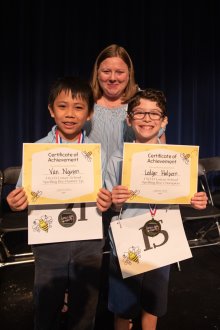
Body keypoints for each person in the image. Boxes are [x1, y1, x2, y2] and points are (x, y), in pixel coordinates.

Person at [6, 76, 112, 330]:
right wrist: (15, 202)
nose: (70, 114)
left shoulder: (97, 152)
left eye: (78, 107)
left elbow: (105, 192)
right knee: (47, 303)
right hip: (48, 241)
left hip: (88, 241)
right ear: (51, 110)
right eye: (62, 106)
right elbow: (22, 195)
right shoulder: (38, 150)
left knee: (86, 305)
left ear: (89, 114)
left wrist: (107, 200)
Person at [104, 88, 208, 330]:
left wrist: (197, 201)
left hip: (163, 241)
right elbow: (110, 205)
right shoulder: (116, 159)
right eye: (140, 113)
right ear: (129, 119)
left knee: (153, 305)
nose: (147, 119)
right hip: (126, 243)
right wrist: (115, 199)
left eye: (154, 114)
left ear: (165, 120)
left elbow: (187, 196)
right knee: (123, 308)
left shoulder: (177, 160)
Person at [85, 44, 167, 163]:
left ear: (129, 73)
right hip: (91, 179)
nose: (113, 78)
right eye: (106, 71)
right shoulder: (83, 102)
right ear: (97, 73)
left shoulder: (145, 103)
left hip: (131, 180)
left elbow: (159, 152)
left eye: (119, 72)